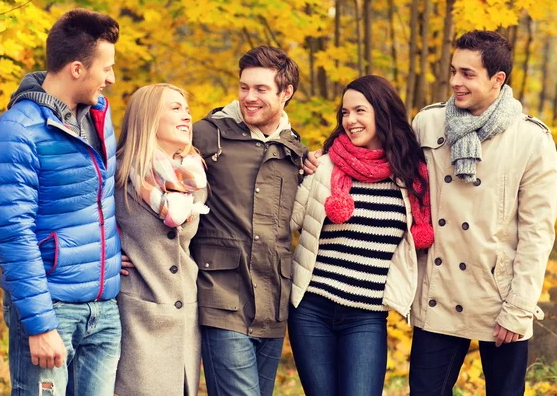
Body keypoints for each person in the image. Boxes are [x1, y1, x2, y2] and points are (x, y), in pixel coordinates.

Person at [409, 30, 557, 396]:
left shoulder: (531, 139)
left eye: (468, 74)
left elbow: (537, 233)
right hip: (438, 295)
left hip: (499, 298)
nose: (455, 82)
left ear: (497, 79)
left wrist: (519, 308)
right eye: (454, 71)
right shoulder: (427, 123)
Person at [0, 9, 122, 395]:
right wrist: (41, 325)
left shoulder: (99, 115)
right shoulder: (17, 131)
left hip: (105, 307)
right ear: (77, 69)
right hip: (52, 306)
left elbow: (103, 198)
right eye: (106, 68)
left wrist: (113, 251)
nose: (111, 78)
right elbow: (13, 234)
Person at [289, 75, 434, 396]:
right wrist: (293, 169)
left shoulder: (409, 176)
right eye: (344, 112)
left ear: (382, 112)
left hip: (366, 318)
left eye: (359, 111)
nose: (350, 120)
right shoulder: (323, 167)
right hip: (312, 312)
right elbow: (283, 223)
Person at [190, 45, 309, 396]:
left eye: (260, 89)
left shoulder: (294, 150)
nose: (249, 97)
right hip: (221, 296)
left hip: (272, 302)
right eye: (244, 87)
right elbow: (141, 173)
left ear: (286, 93)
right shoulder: (204, 135)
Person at [114, 84, 208, 396]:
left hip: (185, 321)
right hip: (138, 317)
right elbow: (86, 229)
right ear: (149, 117)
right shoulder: (119, 175)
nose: (187, 115)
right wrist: (104, 259)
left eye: (186, 108)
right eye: (175, 108)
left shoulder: (193, 178)